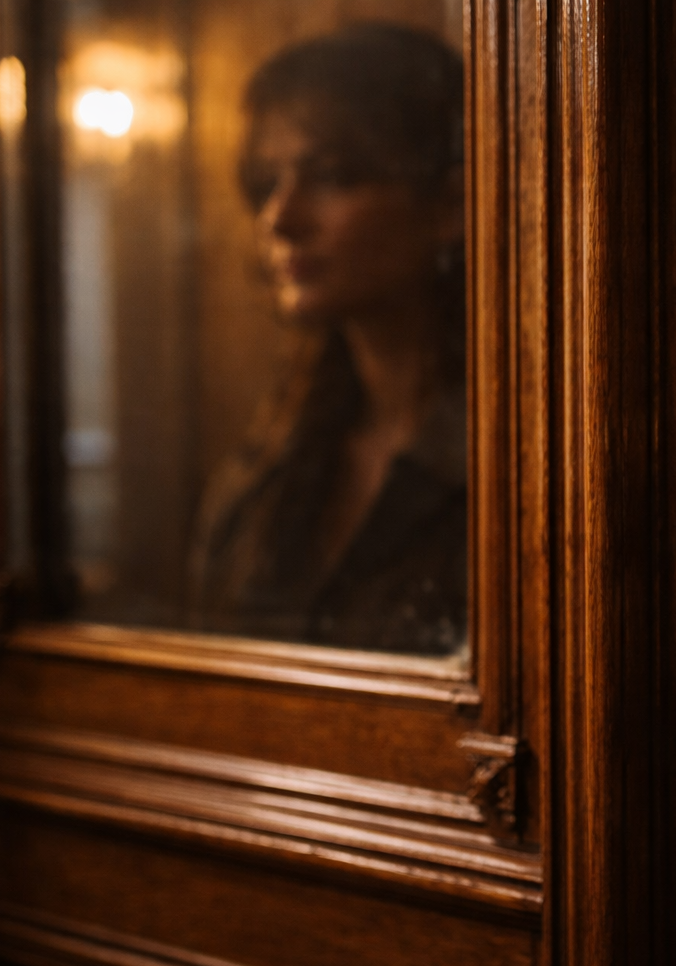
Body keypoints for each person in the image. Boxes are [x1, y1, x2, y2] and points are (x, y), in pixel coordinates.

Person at [187, 23, 467, 656]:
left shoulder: (509, 470)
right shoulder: (269, 468)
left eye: (334, 176)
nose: (280, 219)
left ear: (451, 205)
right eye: (266, 184)